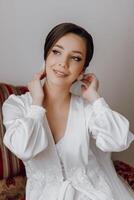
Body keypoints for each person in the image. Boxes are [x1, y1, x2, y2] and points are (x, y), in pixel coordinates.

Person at [2, 22, 134, 200]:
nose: (63, 63)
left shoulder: (87, 110)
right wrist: (37, 104)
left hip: (93, 194)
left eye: (76, 58)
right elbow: (23, 149)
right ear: (46, 57)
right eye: (56, 52)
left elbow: (119, 141)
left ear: (83, 70)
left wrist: (95, 99)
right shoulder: (17, 106)